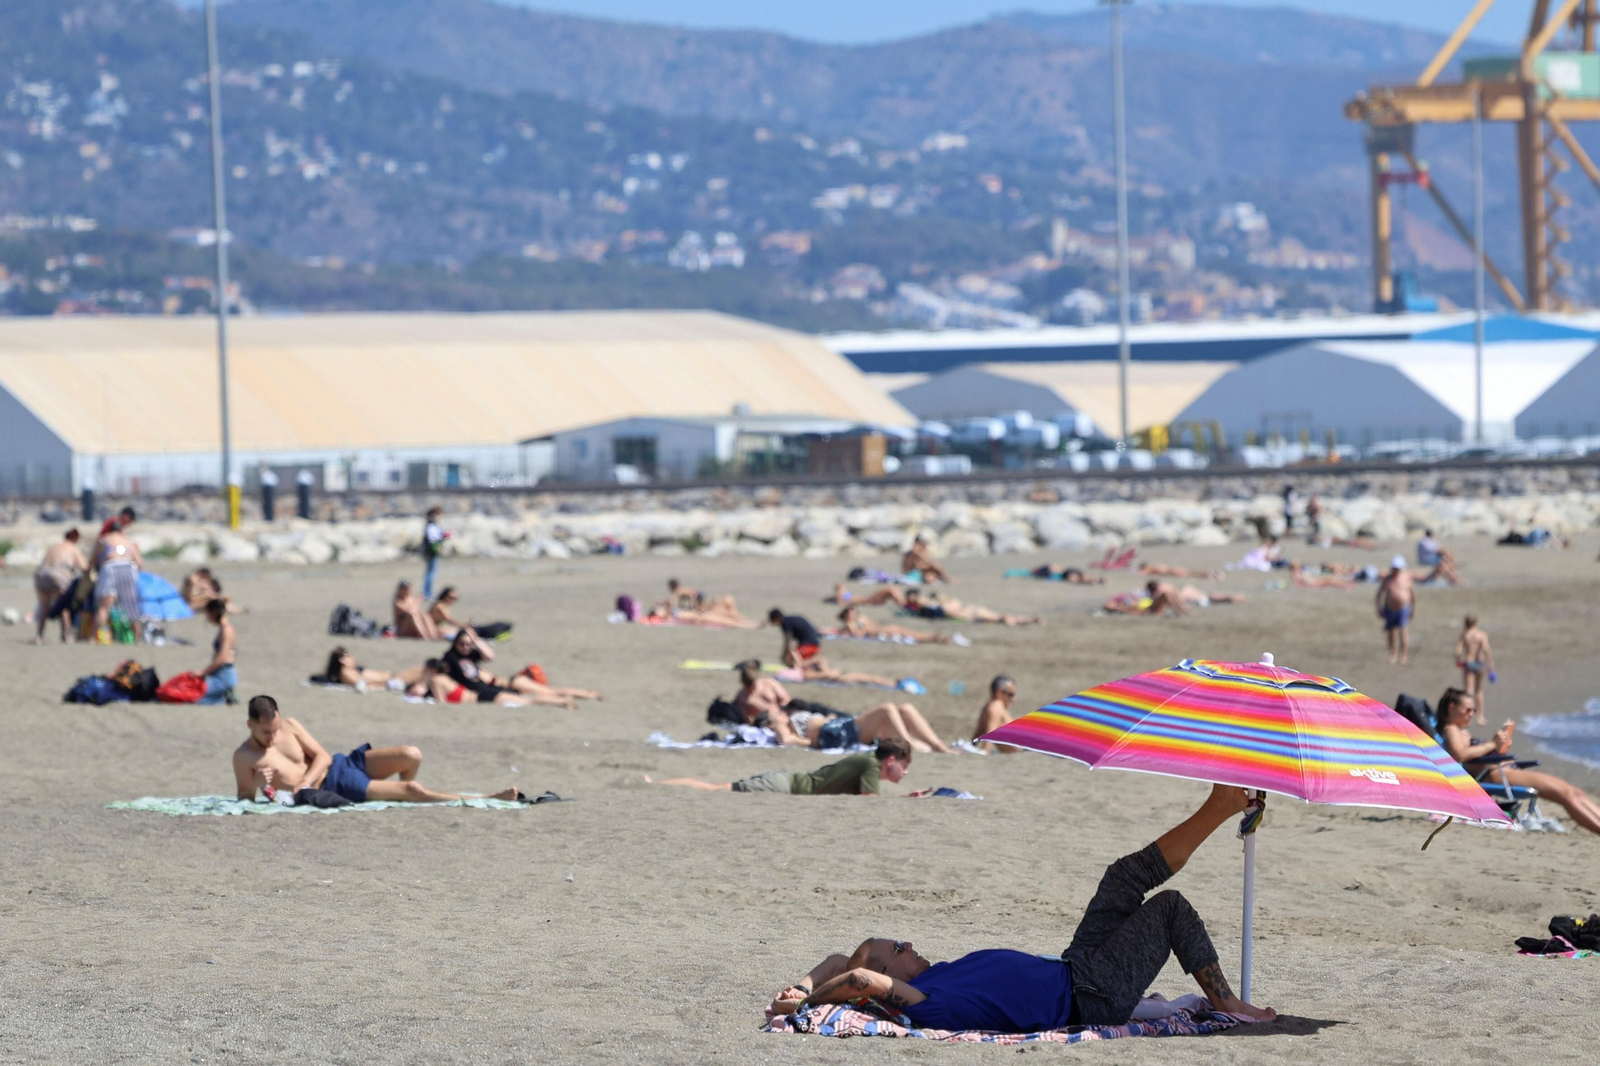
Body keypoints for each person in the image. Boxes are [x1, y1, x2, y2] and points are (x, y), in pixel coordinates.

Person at [768, 785, 1277, 1027]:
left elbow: (842, 963)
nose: (910, 944)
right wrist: (814, 1003)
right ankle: (1228, 1002)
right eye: (898, 946)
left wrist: (802, 986)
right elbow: (858, 979)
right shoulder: (928, 1002)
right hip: (1092, 993)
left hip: (1076, 966)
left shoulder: (934, 979)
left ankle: (1221, 804)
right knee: (1168, 908)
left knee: (1122, 877)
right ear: (889, 975)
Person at [232, 694, 518, 803]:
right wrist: (255, 785)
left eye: (275, 729)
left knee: (411, 754)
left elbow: (321, 755)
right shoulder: (244, 756)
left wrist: (305, 778)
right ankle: (486, 797)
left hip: (341, 763)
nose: (273, 736)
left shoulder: (290, 725)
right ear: (250, 724)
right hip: (332, 784)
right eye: (265, 732)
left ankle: (406, 800)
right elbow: (243, 798)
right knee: (412, 790)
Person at [1438, 688, 1600, 836]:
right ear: (1451, 707)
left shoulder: (1462, 732)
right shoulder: (1450, 729)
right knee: (1566, 794)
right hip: (1497, 775)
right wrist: (1493, 744)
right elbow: (1460, 755)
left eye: (1474, 710)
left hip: (1504, 771)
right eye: (1467, 710)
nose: (1471, 714)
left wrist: (1499, 747)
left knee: (1574, 791)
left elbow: (1475, 755)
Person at [653, 738, 914, 795]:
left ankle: (656, 784)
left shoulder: (867, 761)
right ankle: (654, 785)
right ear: (890, 760)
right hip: (783, 787)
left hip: (784, 783)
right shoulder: (870, 765)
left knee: (717, 788)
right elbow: (870, 803)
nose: (905, 772)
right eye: (904, 765)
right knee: (715, 789)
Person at [442, 626, 597, 705]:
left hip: (494, 686)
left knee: (544, 692)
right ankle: (567, 699)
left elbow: (490, 656)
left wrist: (476, 641)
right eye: (462, 644)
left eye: (468, 644)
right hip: (485, 690)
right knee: (531, 697)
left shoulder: (470, 655)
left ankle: (584, 694)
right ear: (455, 643)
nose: (465, 647)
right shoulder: (451, 658)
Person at [90, 516, 144, 643]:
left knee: (104, 607)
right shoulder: (128, 542)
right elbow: (140, 564)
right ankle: (138, 639)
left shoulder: (103, 539)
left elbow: (92, 561)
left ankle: (92, 638)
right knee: (131, 606)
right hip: (129, 567)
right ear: (121, 530)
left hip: (111, 567)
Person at [33, 528, 88, 644]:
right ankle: (66, 636)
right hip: (58, 577)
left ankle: (39, 637)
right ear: (75, 538)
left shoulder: (54, 547)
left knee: (44, 607)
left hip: (41, 575)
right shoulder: (73, 548)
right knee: (64, 606)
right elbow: (84, 568)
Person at [836, 603, 965, 646]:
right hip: (879, 632)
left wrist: (866, 622)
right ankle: (937, 638)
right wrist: (864, 627)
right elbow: (858, 634)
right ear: (847, 615)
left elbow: (872, 622)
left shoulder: (860, 618)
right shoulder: (850, 624)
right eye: (852, 612)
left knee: (911, 632)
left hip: (883, 628)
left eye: (855, 611)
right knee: (912, 635)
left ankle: (937, 637)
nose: (855, 613)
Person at [902, 589, 1041, 627]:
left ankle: (1027, 620)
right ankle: (1029, 620)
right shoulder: (930, 607)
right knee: (999, 616)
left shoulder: (933, 604)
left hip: (968, 612)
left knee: (1000, 617)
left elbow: (952, 609)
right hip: (968, 611)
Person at [1453, 616, 1494, 726]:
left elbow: (1458, 651)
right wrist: (1491, 666)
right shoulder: (1481, 635)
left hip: (1469, 663)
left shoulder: (1465, 635)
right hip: (1480, 663)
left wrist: (1458, 661)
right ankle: (1480, 716)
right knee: (1479, 690)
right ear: (1475, 623)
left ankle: (1467, 717)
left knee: (1468, 692)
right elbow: (1486, 650)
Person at [319, 647, 419, 692]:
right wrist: (384, 685)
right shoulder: (345, 672)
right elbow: (361, 684)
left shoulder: (351, 670)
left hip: (392, 679)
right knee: (420, 671)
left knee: (419, 671)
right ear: (342, 660)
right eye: (348, 656)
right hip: (391, 682)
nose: (352, 658)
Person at [196, 599, 238, 705]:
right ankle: (223, 696)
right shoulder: (226, 628)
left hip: (224, 675)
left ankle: (225, 695)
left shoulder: (226, 630)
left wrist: (203, 672)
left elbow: (222, 658)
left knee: (194, 697)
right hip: (221, 673)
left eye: (208, 615)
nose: (208, 619)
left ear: (214, 612)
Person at [1376, 555, 1415, 665]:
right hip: (1389, 608)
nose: (1395, 570)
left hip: (1403, 608)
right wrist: (1379, 607)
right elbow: (1379, 594)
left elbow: (1412, 594)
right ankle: (1393, 654)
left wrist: (1413, 608)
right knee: (1391, 632)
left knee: (1403, 632)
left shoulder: (1406, 577)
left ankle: (1403, 655)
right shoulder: (1388, 579)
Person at [973, 675, 1019, 753]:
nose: (1013, 699)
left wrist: (972, 746)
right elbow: (990, 734)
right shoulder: (996, 706)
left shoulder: (988, 707)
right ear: (999, 693)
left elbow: (978, 735)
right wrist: (985, 751)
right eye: (1010, 695)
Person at [421, 506, 447, 600]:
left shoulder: (432, 525)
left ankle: (427, 592)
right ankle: (427, 593)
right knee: (431, 573)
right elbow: (433, 540)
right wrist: (440, 546)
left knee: (430, 573)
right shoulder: (431, 525)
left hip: (431, 552)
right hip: (431, 552)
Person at [1137, 563, 1223, 580]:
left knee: (1191, 575)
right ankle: (1213, 573)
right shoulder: (1155, 565)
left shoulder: (1149, 568)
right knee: (1192, 572)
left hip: (1171, 571)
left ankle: (1211, 575)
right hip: (1173, 568)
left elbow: (1142, 573)